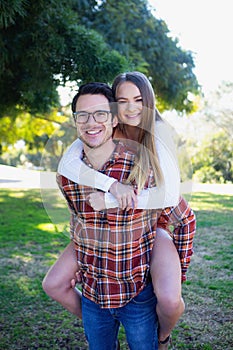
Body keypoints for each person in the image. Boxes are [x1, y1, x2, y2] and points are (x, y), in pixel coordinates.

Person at [43, 74, 196, 349]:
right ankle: (102, 318)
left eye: (138, 100)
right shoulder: (104, 129)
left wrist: (112, 200)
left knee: (171, 300)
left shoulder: (158, 133)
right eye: (122, 100)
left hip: (155, 222)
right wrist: (111, 185)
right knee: (54, 282)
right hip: (104, 230)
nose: (130, 108)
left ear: (148, 102)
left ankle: (161, 336)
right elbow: (67, 165)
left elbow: (171, 196)